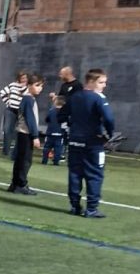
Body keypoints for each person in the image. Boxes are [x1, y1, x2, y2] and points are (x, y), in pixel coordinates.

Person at [60, 68, 115, 218]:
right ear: (91, 81)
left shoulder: (74, 97)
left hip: (75, 141)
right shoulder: (99, 98)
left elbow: (61, 115)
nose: (104, 85)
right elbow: (109, 119)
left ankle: (75, 206)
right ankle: (91, 208)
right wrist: (109, 134)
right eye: (101, 82)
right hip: (93, 142)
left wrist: (72, 126)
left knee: (75, 174)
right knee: (95, 174)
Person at [7, 73, 42, 195]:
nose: (40, 88)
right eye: (37, 85)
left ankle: (15, 184)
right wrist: (35, 136)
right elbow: (30, 118)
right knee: (25, 160)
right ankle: (21, 184)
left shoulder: (28, 99)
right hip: (26, 133)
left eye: (41, 86)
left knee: (20, 159)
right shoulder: (28, 99)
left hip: (22, 133)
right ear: (29, 85)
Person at [0, 70, 28, 156]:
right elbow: (2, 93)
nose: (24, 79)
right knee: (7, 129)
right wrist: (8, 102)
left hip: (21, 111)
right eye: (22, 78)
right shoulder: (12, 85)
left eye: (25, 78)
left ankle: (16, 152)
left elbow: (26, 96)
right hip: (10, 110)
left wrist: (24, 86)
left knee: (19, 131)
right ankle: (6, 151)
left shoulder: (27, 87)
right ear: (19, 78)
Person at [41, 95, 65, 165]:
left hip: (50, 132)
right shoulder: (64, 113)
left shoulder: (51, 111)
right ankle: (56, 161)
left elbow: (47, 119)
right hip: (60, 133)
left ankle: (44, 160)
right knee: (58, 149)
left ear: (55, 102)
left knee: (47, 147)